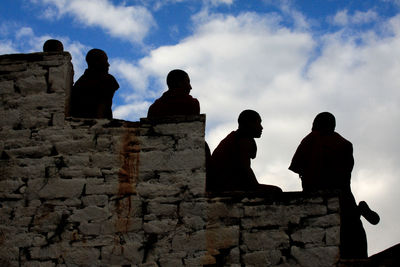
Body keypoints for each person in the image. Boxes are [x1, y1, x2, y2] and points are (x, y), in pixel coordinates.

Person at [289, 112, 379, 259]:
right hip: (344, 195)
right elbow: (347, 170)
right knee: (355, 237)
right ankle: (360, 211)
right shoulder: (344, 144)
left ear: (316, 125)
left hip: (316, 195)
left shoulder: (310, 140)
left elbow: (297, 166)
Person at [207, 110, 282, 193]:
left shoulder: (237, 138)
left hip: (224, 185)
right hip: (226, 187)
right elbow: (245, 170)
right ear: (248, 123)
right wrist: (256, 187)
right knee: (276, 192)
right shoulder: (242, 140)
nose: (261, 127)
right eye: (258, 123)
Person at [70, 48, 119, 119]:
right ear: (97, 62)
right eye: (105, 61)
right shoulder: (107, 79)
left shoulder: (80, 83)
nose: (108, 64)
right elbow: (103, 105)